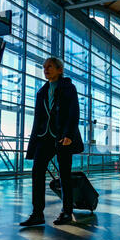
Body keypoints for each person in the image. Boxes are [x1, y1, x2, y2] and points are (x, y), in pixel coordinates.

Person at [20, 57, 84, 227]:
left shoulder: (68, 88)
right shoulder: (42, 92)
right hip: (44, 137)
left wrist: (69, 134)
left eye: (49, 66)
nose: (46, 69)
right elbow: (38, 118)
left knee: (64, 175)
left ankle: (67, 212)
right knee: (37, 171)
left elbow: (74, 111)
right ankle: (37, 213)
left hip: (63, 137)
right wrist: (34, 141)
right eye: (44, 67)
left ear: (59, 70)